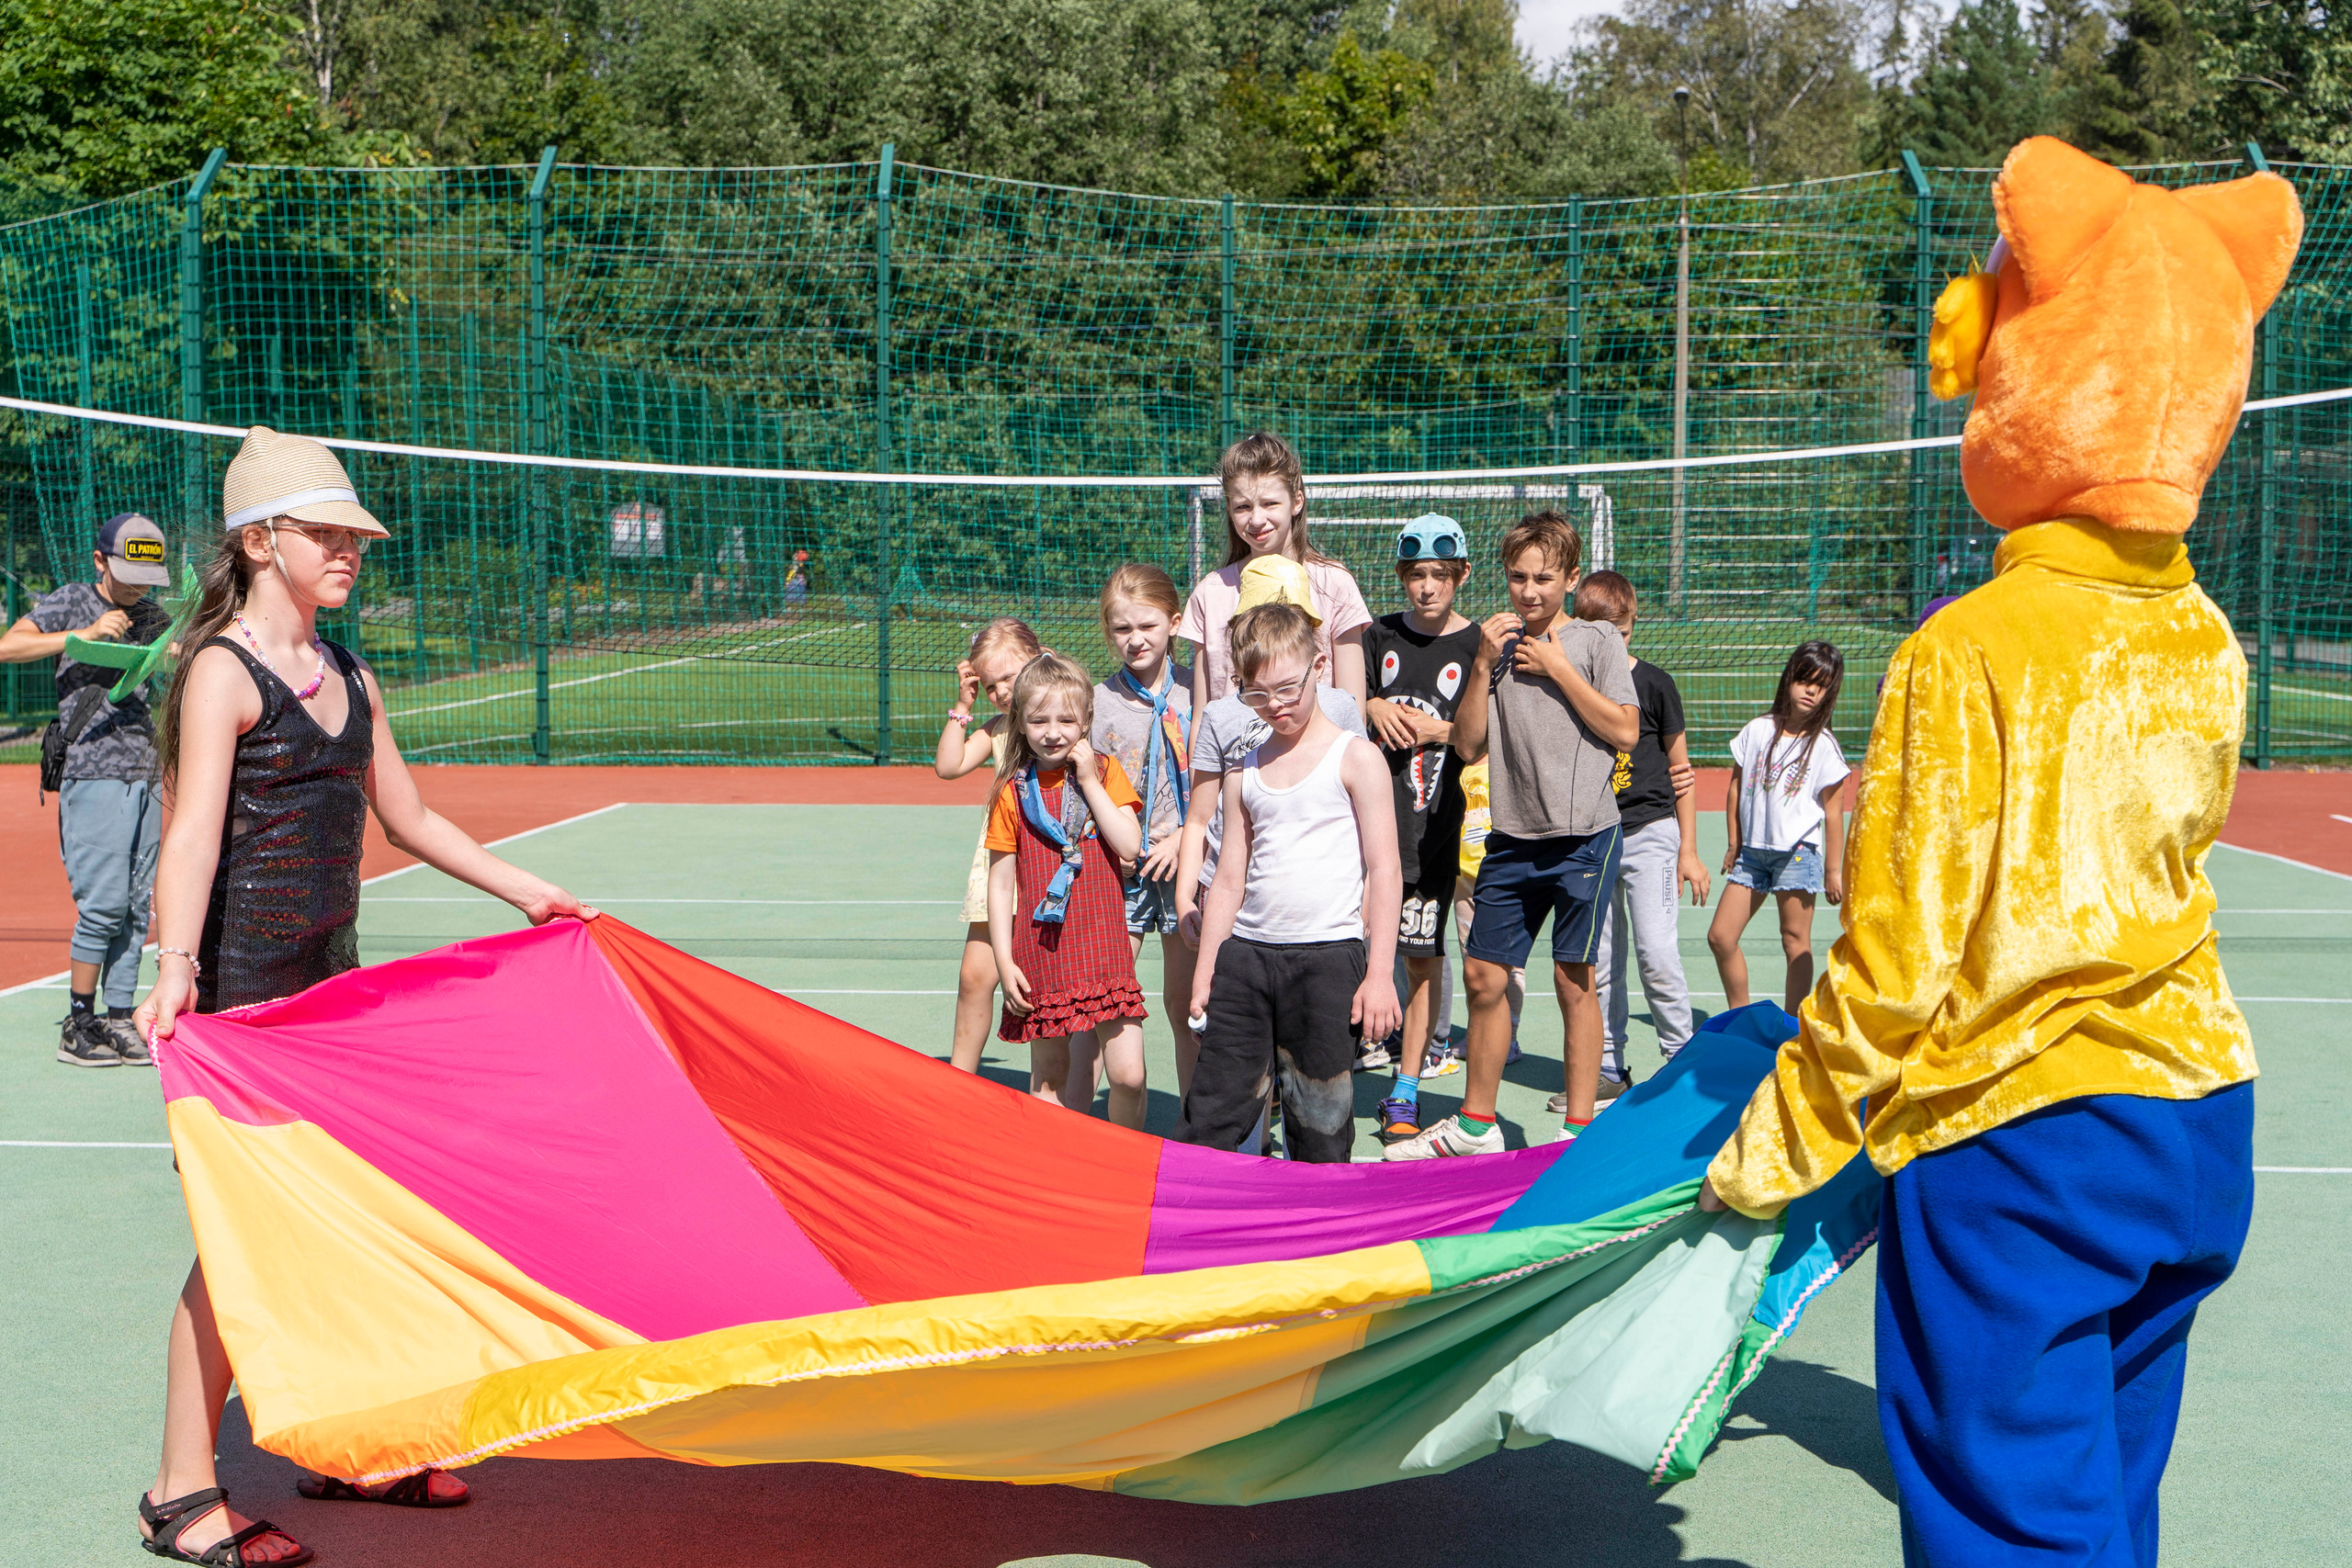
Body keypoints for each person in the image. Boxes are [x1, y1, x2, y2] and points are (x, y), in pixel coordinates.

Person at [1702, 137, 2296, 1568]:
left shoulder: (1967, 651)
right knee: (2107, 1495)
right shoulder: (2204, 633)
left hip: (2023, 1138)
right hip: (2200, 1115)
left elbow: (1899, 960)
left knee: (2011, 1525)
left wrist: (1774, 1146)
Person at [132, 426, 594, 1567]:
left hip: (331, 1004)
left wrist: (527, 890)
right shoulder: (220, 675)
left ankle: (338, 1450)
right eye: (328, 533)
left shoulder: (348, 675)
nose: (352, 551)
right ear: (259, 541)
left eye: (355, 535)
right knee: (236, 1245)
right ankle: (181, 1490)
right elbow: (190, 839)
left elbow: (412, 821)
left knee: (340, 1226)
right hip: (242, 1009)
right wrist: (176, 970)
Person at [1386, 510, 1638, 1159]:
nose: (1529, 591)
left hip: (1585, 835)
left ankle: (1580, 1128)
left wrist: (1557, 669)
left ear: (1571, 578)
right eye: (1519, 577)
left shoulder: (1596, 642)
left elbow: (1626, 731)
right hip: (1513, 838)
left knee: (1572, 978)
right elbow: (1469, 744)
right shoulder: (1492, 648)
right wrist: (1478, 666)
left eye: (1544, 579)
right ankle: (1478, 1124)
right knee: (1483, 976)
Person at [1182, 603, 1401, 1162]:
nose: (1275, 705)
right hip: (1247, 960)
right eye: (1257, 694)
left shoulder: (1357, 759)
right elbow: (1229, 878)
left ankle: (1319, 1235)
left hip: (1329, 961)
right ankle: (1196, 1226)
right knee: (1213, 1111)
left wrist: (1379, 974)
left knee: (1321, 1122)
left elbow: (1384, 870)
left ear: (1319, 666)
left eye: (1287, 688)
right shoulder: (1244, 770)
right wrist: (1208, 969)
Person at [0, 512, 174, 1067]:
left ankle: (119, 1017)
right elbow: (8, 645)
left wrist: (180, 650)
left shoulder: (150, 611)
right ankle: (79, 1023)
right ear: (100, 561)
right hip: (93, 774)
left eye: (146, 576)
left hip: (145, 771)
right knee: (100, 906)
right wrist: (82, 637)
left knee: (135, 907)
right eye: (125, 572)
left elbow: (179, 652)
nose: (137, 587)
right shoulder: (74, 600)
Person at [985, 652, 1150, 1128]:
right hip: (1041, 950)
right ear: (1019, 721)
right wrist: (1003, 959)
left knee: (1129, 1074)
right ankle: (1053, 1174)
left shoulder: (1105, 771)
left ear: (1087, 720)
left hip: (1104, 949)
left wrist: (1090, 782)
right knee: (1050, 1075)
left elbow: (1128, 846)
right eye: (1038, 719)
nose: (1052, 731)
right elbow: (999, 885)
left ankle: (1124, 1163)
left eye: (1066, 719)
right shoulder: (1012, 792)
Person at [1360, 514, 1481, 1148]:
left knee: (1422, 962)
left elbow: (1482, 736)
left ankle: (1408, 1085)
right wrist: (1372, 704)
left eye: (1439, 574)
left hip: (1436, 832)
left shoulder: (1479, 645)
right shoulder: (1375, 636)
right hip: (1368, 832)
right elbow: (1341, 705)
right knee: (1339, 953)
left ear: (1460, 575)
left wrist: (1439, 731)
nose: (1426, 587)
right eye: (1415, 574)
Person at [1571, 570, 1707, 1102]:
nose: (1610, 643)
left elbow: (1682, 771)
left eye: (1621, 633)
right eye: (1598, 631)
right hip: (1595, 836)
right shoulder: (1573, 685)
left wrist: (1689, 851)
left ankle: (1680, 1059)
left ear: (1633, 627)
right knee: (1600, 961)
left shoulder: (1654, 684)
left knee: (1657, 953)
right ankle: (1608, 1065)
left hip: (1652, 833)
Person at [1091, 564, 1200, 1100]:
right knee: (1101, 999)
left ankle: (1199, 1128)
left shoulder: (1198, 692)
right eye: (1121, 630)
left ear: (1174, 624)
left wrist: (1182, 838)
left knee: (1185, 1006)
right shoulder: (1098, 702)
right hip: (1121, 871)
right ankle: (1076, 1121)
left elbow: (1215, 778)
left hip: (1184, 866)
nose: (1135, 640)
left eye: (1148, 627)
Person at [1179, 431, 1371, 716]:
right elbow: (1205, 714)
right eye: (1243, 507)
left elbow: (1352, 708)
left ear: (1296, 502)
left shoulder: (1334, 583)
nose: (1257, 520)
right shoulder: (1210, 593)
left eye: (1269, 504)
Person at [1704, 639, 1849, 1017]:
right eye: (1805, 680)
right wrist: (1734, 842)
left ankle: (1792, 1027)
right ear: (1789, 679)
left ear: (1829, 695)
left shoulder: (1825, 747)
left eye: (1821, 686)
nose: (1811, 690)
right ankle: (1742, 1016)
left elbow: (1834, 812)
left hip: (1798, 855)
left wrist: (1833, 871)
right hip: (1752, 855)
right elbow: (1737, 787)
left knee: (1795, 942)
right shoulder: (1757, 730)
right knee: (1720, 937)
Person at [937, 616, 1043, 1073]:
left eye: (1009, 678)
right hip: (1000, 865)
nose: (1001, 691)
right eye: (991, 684)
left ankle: (1053, 1090)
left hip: (1047, 866)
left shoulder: (1064, 718)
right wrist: (964, 705)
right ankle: (960, 1080)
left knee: (1045, 983)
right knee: (974, 978)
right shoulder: (997, 728)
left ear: (1039, 662)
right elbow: (949, 765)